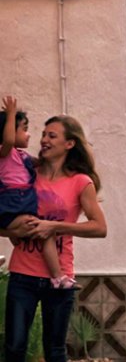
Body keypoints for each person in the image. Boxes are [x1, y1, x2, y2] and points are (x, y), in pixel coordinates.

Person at [1, 115, 106, 362]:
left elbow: (99, 227)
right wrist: (11, 230)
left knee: (55, 352)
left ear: (69, 143)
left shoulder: (80, 182)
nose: (43, 140)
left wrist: (55, 226)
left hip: (58, 279)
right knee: (14, 349)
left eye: (52, 135)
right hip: (22, 272)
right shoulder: (26, 169)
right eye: (42, 134)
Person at [1, 97, 69, 288]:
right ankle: (58, 277)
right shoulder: (4, 152)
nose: (29, 135)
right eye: (24, 129)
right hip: (12, 203)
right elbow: (8, 139)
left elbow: (42, 162)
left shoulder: (21, 155)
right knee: (43, 231)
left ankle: (54, 275)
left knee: (36, 233)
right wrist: (11, 114)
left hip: (22, 203)